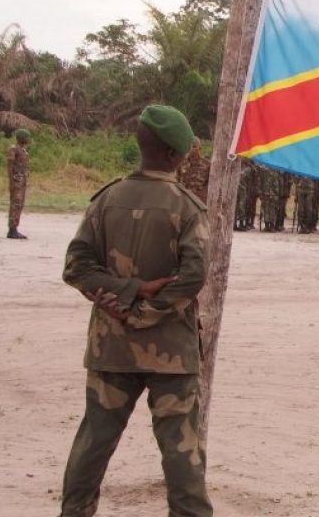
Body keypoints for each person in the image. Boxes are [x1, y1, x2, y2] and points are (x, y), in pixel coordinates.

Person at [58, 105, 212, 517]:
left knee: (94, 442)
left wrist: (125, 294)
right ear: (176, 156)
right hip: (171, 353)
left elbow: (76, 267)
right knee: (181, 453)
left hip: (112, 347)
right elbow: (194, 275)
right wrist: (146, 306)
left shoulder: (106, 199)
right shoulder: (186, 208)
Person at [6, 128, 31, 239]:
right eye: (26, 137)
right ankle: (12, 230)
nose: (28, 139)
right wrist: (11, 181)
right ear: (21, 138)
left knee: (19, 204)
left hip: (22, 181)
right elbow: (10, 166)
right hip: (16, 180)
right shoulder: (13, 149)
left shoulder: (24, 150)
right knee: (15, 204)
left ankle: (15, 228)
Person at [176, 137, 211, 203]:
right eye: (189, 147)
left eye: (194, 147)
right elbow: (177, 181)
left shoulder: (207, 165)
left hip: (199, 201)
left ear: (200, 148)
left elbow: (209, 186)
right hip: (183, 200)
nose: (191, 149)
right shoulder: (181, 163)